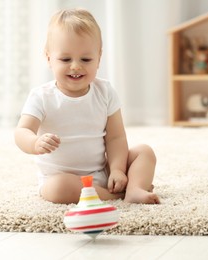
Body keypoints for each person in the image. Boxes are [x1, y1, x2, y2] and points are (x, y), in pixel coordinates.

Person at [15, 8, 160, 205]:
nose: (75, 66)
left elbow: (116, 137)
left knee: (144, 152)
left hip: (102, 172)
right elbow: (22, 130)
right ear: (48, 58)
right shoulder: (42, 96)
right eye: (65, 59)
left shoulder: (105, 91)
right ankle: (116, 196)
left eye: (86, 59)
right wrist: (34, 143)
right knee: (59, 190)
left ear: (98, 58)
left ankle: (134, 189)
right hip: (63, 178)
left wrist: (117, 169)